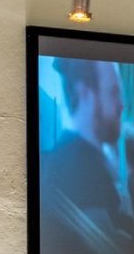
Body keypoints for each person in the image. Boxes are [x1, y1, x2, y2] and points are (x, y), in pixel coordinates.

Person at [41, 53, 125, 225]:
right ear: (85, 93)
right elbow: (104, 238)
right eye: (113, 93)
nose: (121, 106)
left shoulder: (85, 158)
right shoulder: (77, 164)